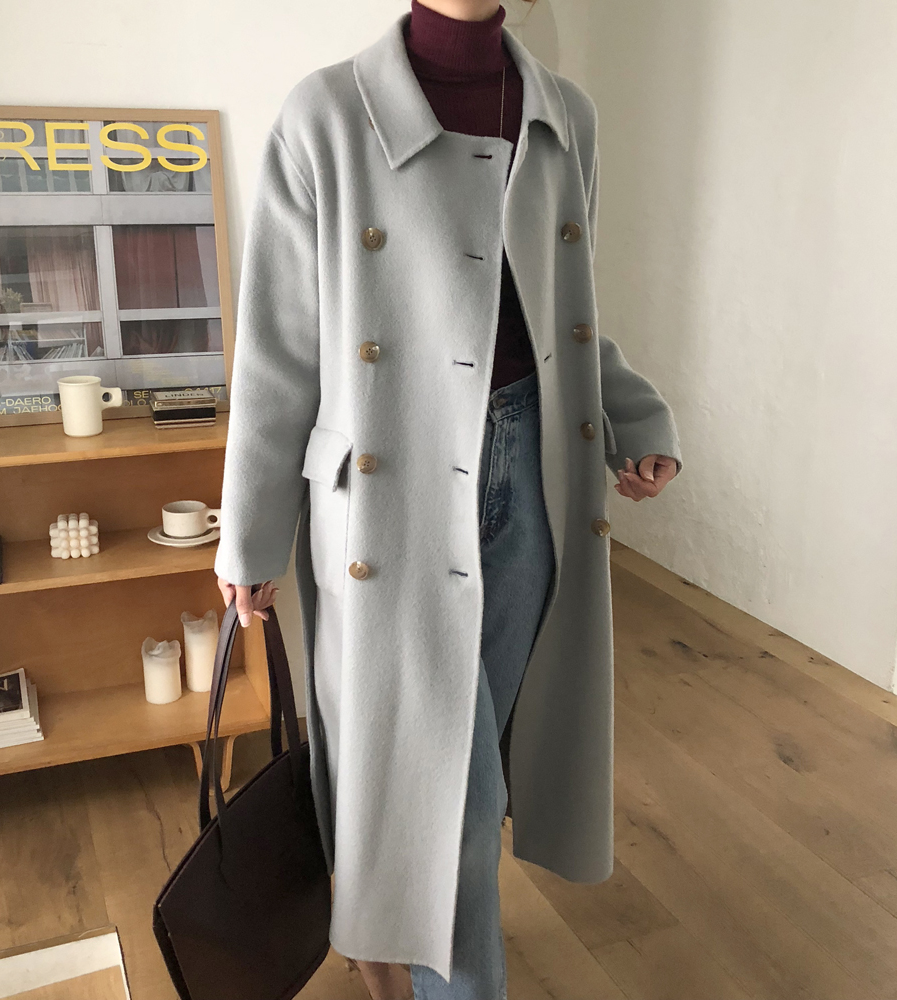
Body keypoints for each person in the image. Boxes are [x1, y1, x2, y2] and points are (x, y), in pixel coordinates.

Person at [215, 2, 682, 998]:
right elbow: (279, 348)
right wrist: (248, 532)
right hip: (391, 495)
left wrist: (635, 417)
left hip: (534, 472)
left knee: (468, 774)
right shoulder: (324, 116)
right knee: (449, 790)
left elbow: (568, 309)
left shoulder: (565, 116)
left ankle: (390, 935)